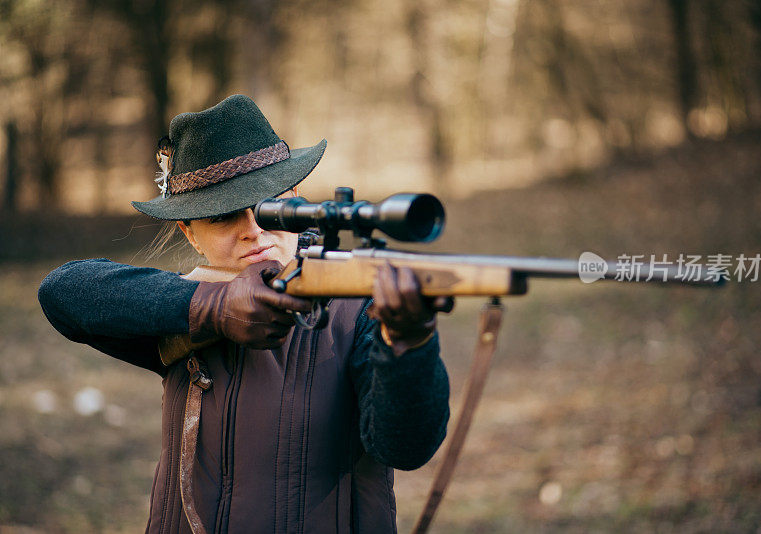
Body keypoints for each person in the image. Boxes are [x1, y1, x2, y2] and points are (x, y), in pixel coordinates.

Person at [38, 95, 451, 534]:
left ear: (294, 198)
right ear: (190, 234)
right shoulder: (182, 308)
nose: (252, 230)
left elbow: (406, 447)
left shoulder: (360, 307)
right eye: (223, 217)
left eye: (268, 205)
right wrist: (212, 308)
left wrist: (408, 342)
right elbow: (63, 291)